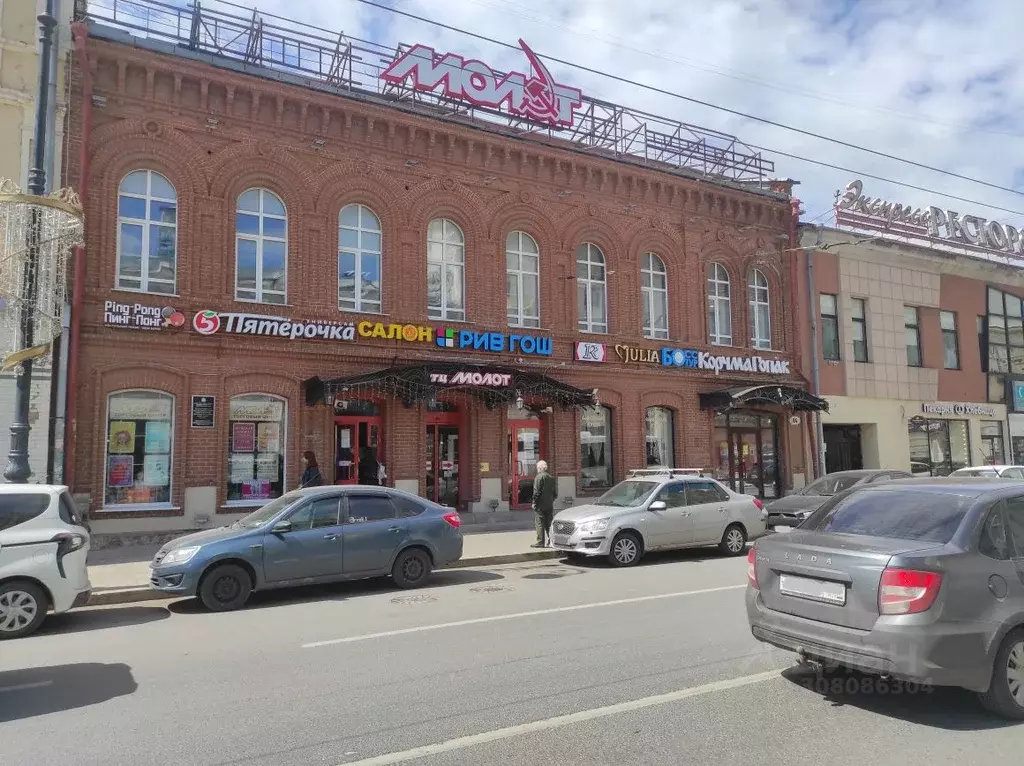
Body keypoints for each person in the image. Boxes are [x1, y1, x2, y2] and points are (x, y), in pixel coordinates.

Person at [531, 460, 557, 548]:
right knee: (549, 523)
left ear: (540, 468)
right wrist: (551, 500)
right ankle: (552, 540)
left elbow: (536, 492)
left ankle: (540, 542)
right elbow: (555, 493)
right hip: (549, 504)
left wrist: (534, 502)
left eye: (537, 468)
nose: (537, 469)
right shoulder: (551, 477)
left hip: (540, 504)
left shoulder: (539, 477)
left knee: (539, 523)